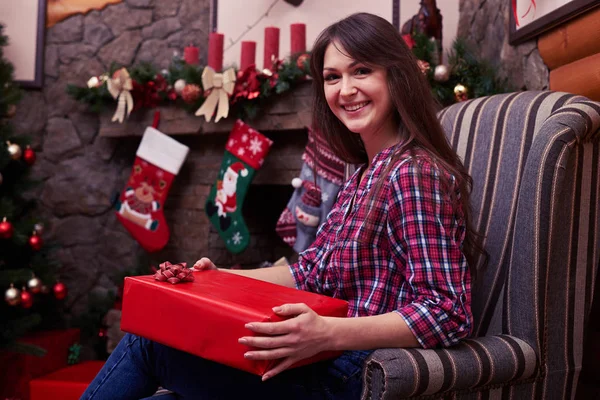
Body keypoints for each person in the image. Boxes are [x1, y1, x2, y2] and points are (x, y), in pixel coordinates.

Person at [81, 12, 480, 400]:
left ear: (396, 76)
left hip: (352, 375)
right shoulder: (363, 176)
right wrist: (222, 277)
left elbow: (446, 310)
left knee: (151, 341)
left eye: (361, 71)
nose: (345, 90)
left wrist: (326, 332)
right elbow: (310, 269)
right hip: (319, 360)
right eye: (332, 77)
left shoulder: (412, 173)